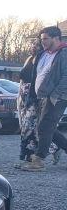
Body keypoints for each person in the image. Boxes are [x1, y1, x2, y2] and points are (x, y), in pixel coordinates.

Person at [21, 26, 67, 171]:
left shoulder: (64, 53)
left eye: (45, 39)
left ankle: (38, 161)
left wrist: (55, 95)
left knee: (44, 127)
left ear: (56, 38)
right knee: (47, 127)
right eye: (41, 39)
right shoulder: (43, 54)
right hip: (42, 96)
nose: (43, 42)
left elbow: (65, 77)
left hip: (57, 97)